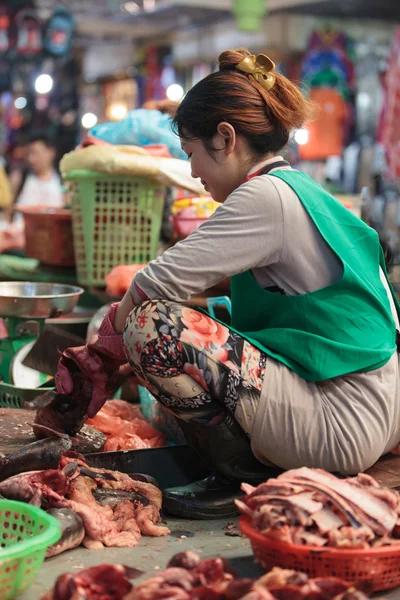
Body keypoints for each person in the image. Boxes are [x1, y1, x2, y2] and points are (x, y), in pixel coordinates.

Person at [54, 49, 400, 519]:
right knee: (188, 318)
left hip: (340, 423)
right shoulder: (299, 189)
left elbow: (154, 283)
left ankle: (241, 474)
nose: (193, 171)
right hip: (378, 411)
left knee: (149, 326)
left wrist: (98, 357)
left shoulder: (264, 196)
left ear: (226, 138)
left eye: (193, 153)